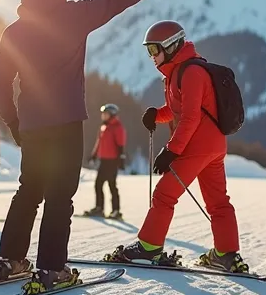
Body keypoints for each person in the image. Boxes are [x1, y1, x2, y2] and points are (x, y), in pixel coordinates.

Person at [0, 0, 181, 295]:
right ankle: (51, 269)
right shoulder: (74, 16)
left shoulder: (14, 32)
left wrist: (14, 122)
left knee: (28, 190)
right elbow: (115, 0)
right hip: (65, 124)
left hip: (31, 126)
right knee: (59, 195)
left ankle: (9, 261)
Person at [105, 22, 249, 272]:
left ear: (170, 46)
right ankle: (226, 255)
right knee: (218, 202)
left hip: (197, 146)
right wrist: (156, 115)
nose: (151, 56)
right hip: (213, 146)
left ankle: (148, 248)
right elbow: (177, 110)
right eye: (148, 50)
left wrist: (172, 150)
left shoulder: (191, 73)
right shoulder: (178, 73)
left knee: (164, 194)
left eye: (154, 49)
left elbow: (191, 118)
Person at [83, 104, 126, 220]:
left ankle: (116, 211)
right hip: (104, 160)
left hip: (112, 161)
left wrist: (121, 158)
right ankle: (99, 208)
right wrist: (94, 155)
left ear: (111, 114)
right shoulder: (104, 127)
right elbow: (99, 142)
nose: (103, 116)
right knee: (98, 184)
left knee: (112, 185)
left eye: (105, 114)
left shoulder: (117, 127)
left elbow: (120, 144)